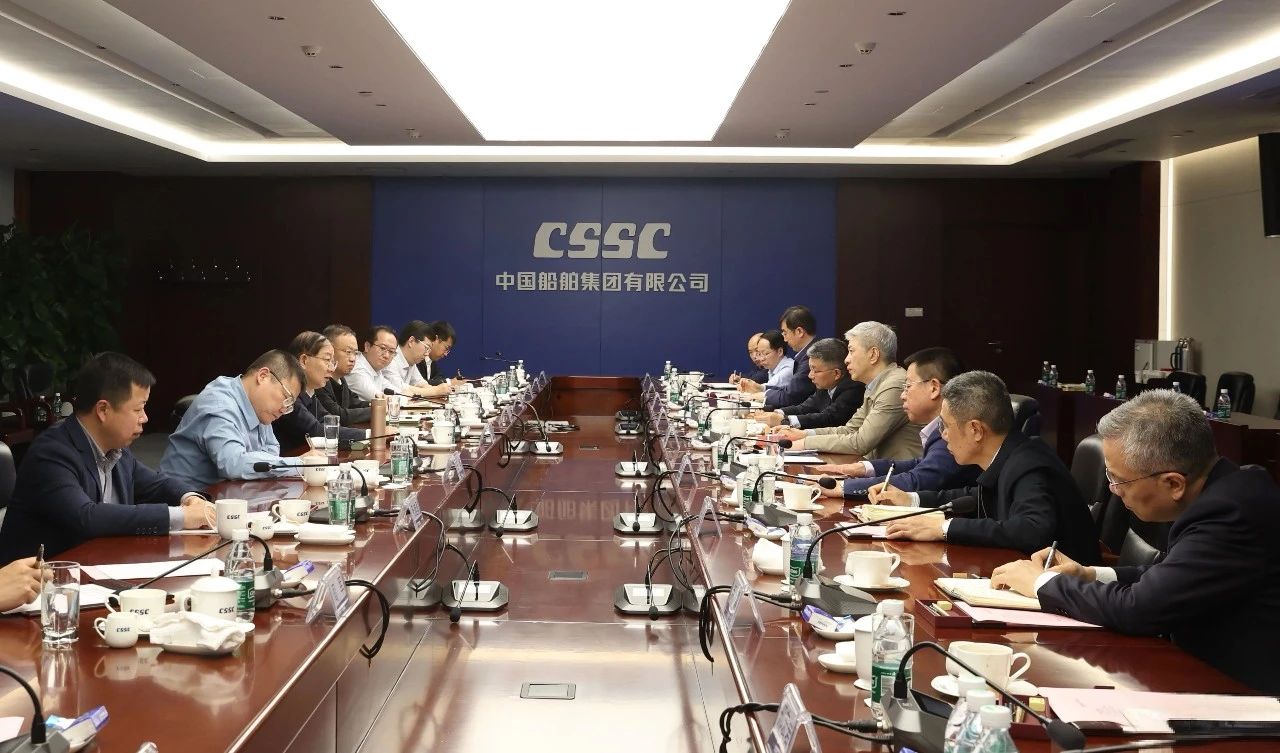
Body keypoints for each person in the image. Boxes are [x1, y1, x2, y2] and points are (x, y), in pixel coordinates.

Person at [990, 390, 1280, 693]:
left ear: (1173, 483)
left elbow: (1139, 609)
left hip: (1243, 699)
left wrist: (1041, 584)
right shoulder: (1227, 490)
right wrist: (1090, 574)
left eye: (1118, 479)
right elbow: (1174, 575)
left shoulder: (1230, 515)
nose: (1113, 490)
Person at [0, 353, 213, 562]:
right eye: (138, 409)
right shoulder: (51, 453)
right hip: (41, 579)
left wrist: (190, 499)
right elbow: (86, 517)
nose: (145, 418)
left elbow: (157, 484)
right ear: (103, 410)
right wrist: (181, 517)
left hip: (100, 566)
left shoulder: (116, 450)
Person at [873, 370, 1100, 564]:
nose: (943, 435)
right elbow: (975, 497)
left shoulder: (1030, 466)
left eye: (946, 426)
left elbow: (1031, 529)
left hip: (1067, 591)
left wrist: (943, 528)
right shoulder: (1010, 454)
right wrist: (910, 499)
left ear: (976, 430)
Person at [820, 347, 978, 500]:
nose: (902, 395)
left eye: (908, 386)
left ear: (934, 388)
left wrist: (844, 487)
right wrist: (863, 468)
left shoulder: (954, 431)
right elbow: (919, 464)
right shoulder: (940, 429)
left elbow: (919, 480)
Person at [773, 321, 922, 460]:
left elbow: (860, 442)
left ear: (873, 355)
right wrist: (804, 434)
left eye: (851, 351)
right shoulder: (877, 384)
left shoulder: (894, 386)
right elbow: (850, 429)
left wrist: (804, 443)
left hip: (898, 474)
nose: (846, 360)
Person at [160, 349, 307, 490]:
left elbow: (271, 450)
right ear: (263, 376)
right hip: (182, 498)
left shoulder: (260, 407)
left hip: (225, 494)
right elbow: (234, 463)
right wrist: (301, 464)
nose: (284, 409)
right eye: (286, 398)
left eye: (290, 405)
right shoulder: (218, 402)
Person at [273, 331, 368, 451]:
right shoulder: (288, 395)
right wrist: (370, 434)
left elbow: (329, 422)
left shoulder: (310, 392)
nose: (331, 369)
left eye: (332, 362)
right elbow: (316, 430)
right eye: (327, 360)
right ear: (304, 360)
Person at [753, 338, 863, 430]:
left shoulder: (853, 389)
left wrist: (785, 420)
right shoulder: (825, 386)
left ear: (836, 373)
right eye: (810, 369)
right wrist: (777, 413)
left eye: (815, 370)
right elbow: (805, 407)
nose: (810, 375)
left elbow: (828, 418)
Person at [765, 305, 818, 409]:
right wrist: (761, 388)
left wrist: (762, 395)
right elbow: (789, 389)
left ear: (799, 332)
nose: (784, 339)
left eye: (785, 333)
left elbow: (792, 395)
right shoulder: (806, 354)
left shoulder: (812, 356)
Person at [316, 324, 371, 425]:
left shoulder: (341, 379)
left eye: (355, 353)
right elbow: (338, 416)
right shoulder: (319, 382)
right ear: (329, 350)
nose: (353, 359)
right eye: (348, 352)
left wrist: (378, 403)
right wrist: (376, 410)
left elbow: (354, 403)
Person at [385, 320, 452, 398]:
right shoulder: (391, 358)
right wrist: (435, 391)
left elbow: (419, 382)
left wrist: (436, 389)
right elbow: (401, 390)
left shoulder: (411, 361)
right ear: (411, 341)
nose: (427, 354)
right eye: (426, 348)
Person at [736, 330, 793, 405]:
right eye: (760, 354)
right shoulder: (771, 368)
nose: (761, 358)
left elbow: (769, 387)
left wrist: (754, 386)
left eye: (766, 353)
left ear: (780, 351)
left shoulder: (788, 368)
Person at [346, 324, 399, 401]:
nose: (386, 356)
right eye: (382, 348)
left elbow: (398, 393)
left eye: (391, 351)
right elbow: (380, 399)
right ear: (367, 346)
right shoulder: (356, 368)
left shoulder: (376, 369)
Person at [415, 320, 467, 387]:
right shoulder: (417, 358)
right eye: (446, 348)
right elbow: (417, 384)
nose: (446, 354)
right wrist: (449, 382)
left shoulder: (432, 361)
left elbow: (439, 378)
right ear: (436, 339)